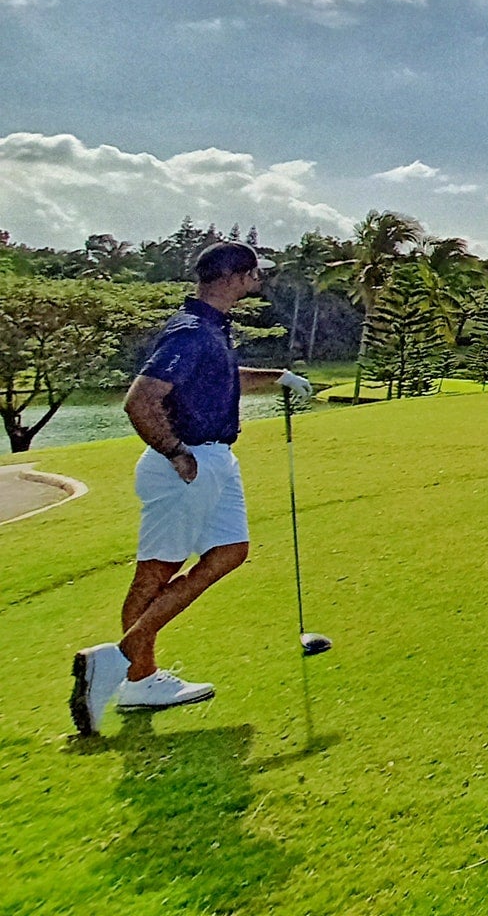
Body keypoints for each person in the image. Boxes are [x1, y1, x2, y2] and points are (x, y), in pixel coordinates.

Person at [70, 241, 270, 736]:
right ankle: (130, 670)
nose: (257, 281)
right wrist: (177, 453)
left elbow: (221, 379)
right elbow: (140, 400)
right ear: (235, 277)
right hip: (187, 464)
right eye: (253, 274)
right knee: (156, 572)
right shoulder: (192, 332)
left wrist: (279, 377)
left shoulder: (209, 328)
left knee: (231, 550)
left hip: (213, 458)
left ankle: (128, 664)